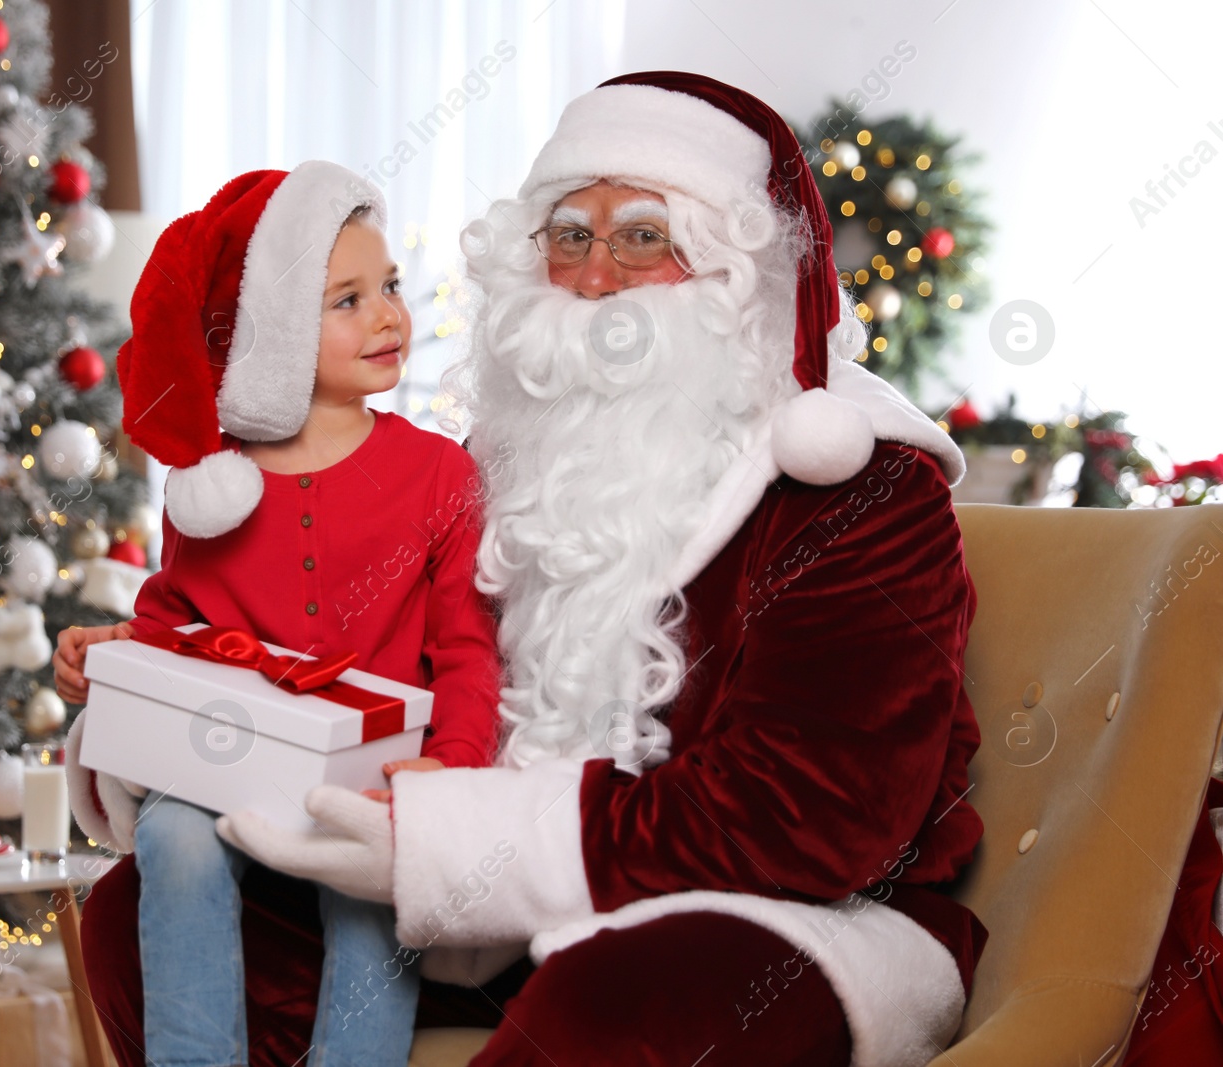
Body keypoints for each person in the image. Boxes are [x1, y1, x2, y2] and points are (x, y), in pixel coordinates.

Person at [209, 73, 989, 1067]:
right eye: (569, 235)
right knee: (176, 901)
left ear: (732, 269)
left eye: (640, 237)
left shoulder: (857, 488)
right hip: (486, 912)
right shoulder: (494, 468)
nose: (591, 278)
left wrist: (448, 843)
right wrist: (183, 697)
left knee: (620, 1003)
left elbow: (816, 820)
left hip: (791, 919)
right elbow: (361, 655)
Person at [55, 161, 503, 1067]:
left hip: (369, 771)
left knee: (372, 882)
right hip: (224, 759)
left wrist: (448, 767)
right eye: (347, 299)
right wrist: (110, 651)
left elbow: (466, 647)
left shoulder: (440, 475)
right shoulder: (218, 491)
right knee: (172, 833)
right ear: (273, 329)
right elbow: (171, 621)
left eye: (390, 288)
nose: (387, 315)